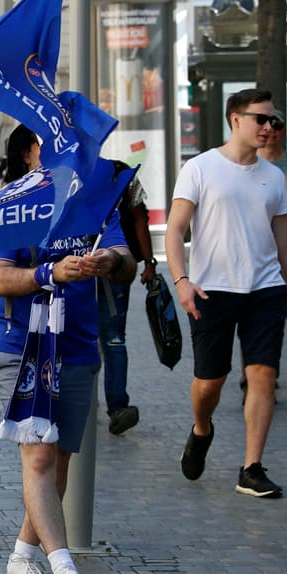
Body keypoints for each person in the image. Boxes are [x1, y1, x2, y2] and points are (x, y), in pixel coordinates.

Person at [0, 124, 134, 574]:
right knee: (40, 459)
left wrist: (106, 260)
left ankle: (23, 556)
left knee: (60, 460)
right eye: (55, 148)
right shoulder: (6, 205)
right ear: (30, 155)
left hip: (76, 344)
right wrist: (51, 272)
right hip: (20, 346)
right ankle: (64, 566)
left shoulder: (93, 201)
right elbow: (0, 280)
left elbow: (126, 258)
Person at [164, 89, 287, 499]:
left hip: (265, 290)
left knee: (264, 377)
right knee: (209, 382)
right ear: (235, 119)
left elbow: (284, 244)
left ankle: (251, 468)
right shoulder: (200, 168)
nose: (270, 128)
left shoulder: (274, 177)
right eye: (262, 119)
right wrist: (182, 281)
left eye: (275, 121)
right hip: (211, 290)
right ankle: (202, 429)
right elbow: (175, 229)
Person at [97, 166, 156, 435]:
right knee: (113, 339)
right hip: (116, 264)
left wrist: (149, 262)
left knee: (109, 338)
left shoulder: (120, 173)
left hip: (112, 265)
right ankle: (117, 407)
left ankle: (116, 407)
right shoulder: (119, 172)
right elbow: (138, 218)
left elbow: (137, 218)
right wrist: (149, 263)